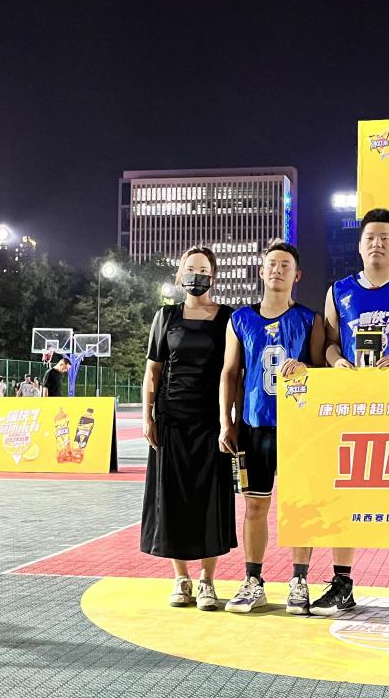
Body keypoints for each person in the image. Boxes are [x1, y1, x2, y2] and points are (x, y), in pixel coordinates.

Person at [310, 208, 389, 621]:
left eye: (385, 238)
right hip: (352, 408)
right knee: (344, 492)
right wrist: (337, 362)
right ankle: (342, 583)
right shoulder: (339, 291)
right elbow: (329, 344)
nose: (377, 244)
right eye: (370, 238)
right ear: (359, 246)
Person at [218, 240, 325, 615]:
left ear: (297, 275)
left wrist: (308, 369)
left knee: (301, 505)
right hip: (254, 424)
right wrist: (226, 422)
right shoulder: (240, 319)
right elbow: (230, 373)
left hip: (299, 427)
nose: (278, 270)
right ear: (261, 272)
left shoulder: (309, 319)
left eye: (285, 265)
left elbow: (323, 369)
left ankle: (299, 580)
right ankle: (253, 581)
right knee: (254, 506)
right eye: (272, 264)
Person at [140, 246, 237, 611]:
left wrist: (229, 420)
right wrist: (148, 416)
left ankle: (207, 580)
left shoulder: (227, 318)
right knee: (173, 500)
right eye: (190, 268)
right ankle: (181, 579)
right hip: (171, 422)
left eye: (203, 269)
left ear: (213, 276)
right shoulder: (165, 316)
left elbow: (233, 372)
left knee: (210, 500)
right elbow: (153, 372)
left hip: (211, 422)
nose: (196, 275)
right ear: (180, 275)